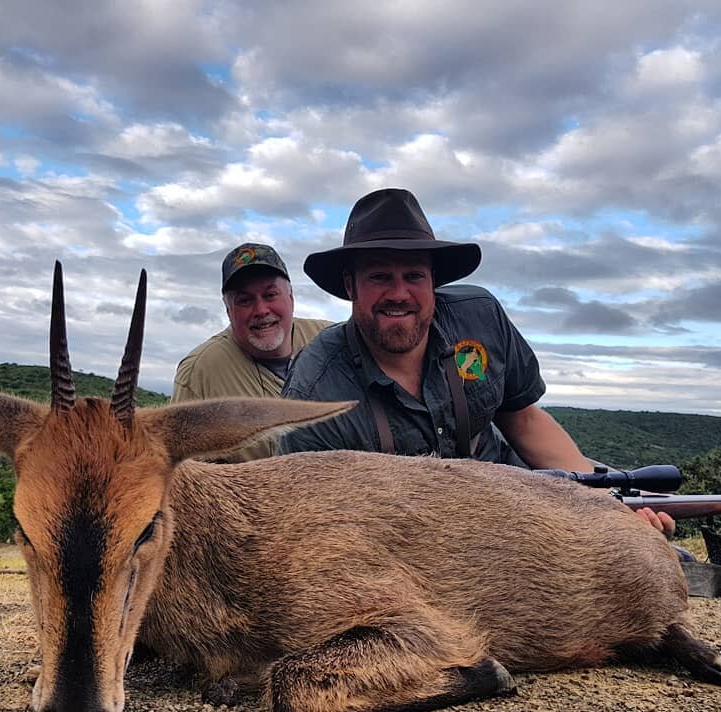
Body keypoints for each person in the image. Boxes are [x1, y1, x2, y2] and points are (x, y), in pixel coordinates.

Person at [280, 188, 675, 536]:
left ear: (433, 281)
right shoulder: (313, 395)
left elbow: (524, 419)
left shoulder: (481, 316)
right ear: (350, 286)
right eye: (380, 277)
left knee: (629, 529)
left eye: (414, 275)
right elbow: (320, 526)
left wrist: (604, 503)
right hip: (400, 539)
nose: (399, 293)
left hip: (515, 497)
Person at [171, 242, 332, 462]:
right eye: (245, 300)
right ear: (228, 310)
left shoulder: (331, 339)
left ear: (291, 298)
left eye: (270, 295)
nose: (261, 310)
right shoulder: (199, 371)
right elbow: (182, 471)